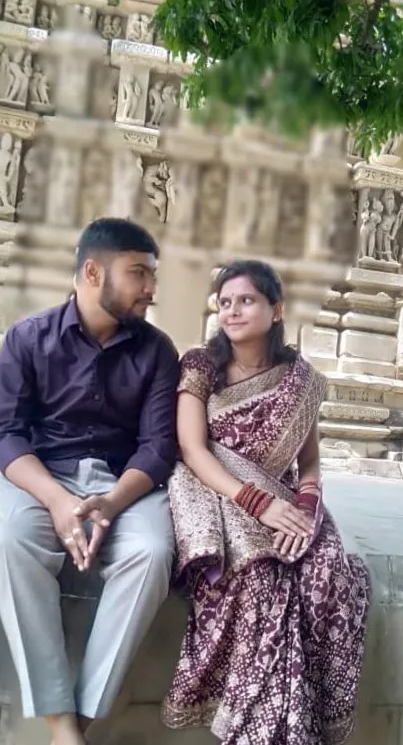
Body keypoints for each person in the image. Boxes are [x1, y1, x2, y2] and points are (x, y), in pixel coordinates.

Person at [163, 260, 371, 745]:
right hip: (220, 496)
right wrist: (258, 503)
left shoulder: (299, 380)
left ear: (276, 309)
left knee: (329, 581)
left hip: (282, 500)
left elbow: (311, 463)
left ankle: (305, 724)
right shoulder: (200, 365)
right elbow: (192, 449)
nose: (232, 310)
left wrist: (306, 506)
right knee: (262, 583)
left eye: (247, 300)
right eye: (226, 301)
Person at [0, 218, 179, 745]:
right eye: (139, 273)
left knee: (149, 554)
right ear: (93, 271)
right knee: (9, 541)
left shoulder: (157, 350)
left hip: (126, 482)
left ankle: (81, 722)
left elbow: (158, 446)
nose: (151, 288)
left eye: (152, 275)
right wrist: (57, 501)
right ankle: (59, 720)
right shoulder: (27, 339)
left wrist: (112, 502)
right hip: (43, 474)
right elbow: (6, 433)